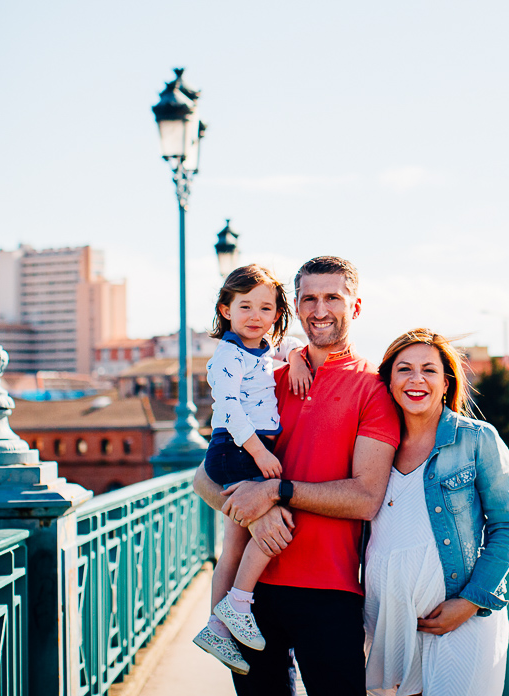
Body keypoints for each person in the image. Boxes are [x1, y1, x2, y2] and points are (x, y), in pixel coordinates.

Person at [193, 256, 400, 696]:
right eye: (309, 298)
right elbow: (203, 479)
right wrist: (254, 516)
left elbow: (365, 498)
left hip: (330, 590)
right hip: (250, 599)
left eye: (332, 298)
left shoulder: (374, 389)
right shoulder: (267, 377)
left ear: (355, 307)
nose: (320, 309)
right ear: (297, 306)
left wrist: (275, 492)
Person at [365, 328, 509, 696]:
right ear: (388, 381)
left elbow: (508, 526)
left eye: (429, 370)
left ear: (446, 380)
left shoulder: (477, 439)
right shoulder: (372, 447)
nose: (416, 379)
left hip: (460, 618)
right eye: (404, 369)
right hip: (387, 621)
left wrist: (469, 602)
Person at [191, 265, 310, 673]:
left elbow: (291, 343)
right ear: (225, 310)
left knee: (234, 545)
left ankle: (216, 629)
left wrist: (294, 358)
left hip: (243, 449)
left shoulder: (262, 349)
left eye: (266, 307)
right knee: (276, 524)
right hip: (238, 449)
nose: (255, 315)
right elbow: (228, 409)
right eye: (245, 306)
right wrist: (260, 454)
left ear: (277, 314)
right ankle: (239, 603)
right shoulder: (228, 355)